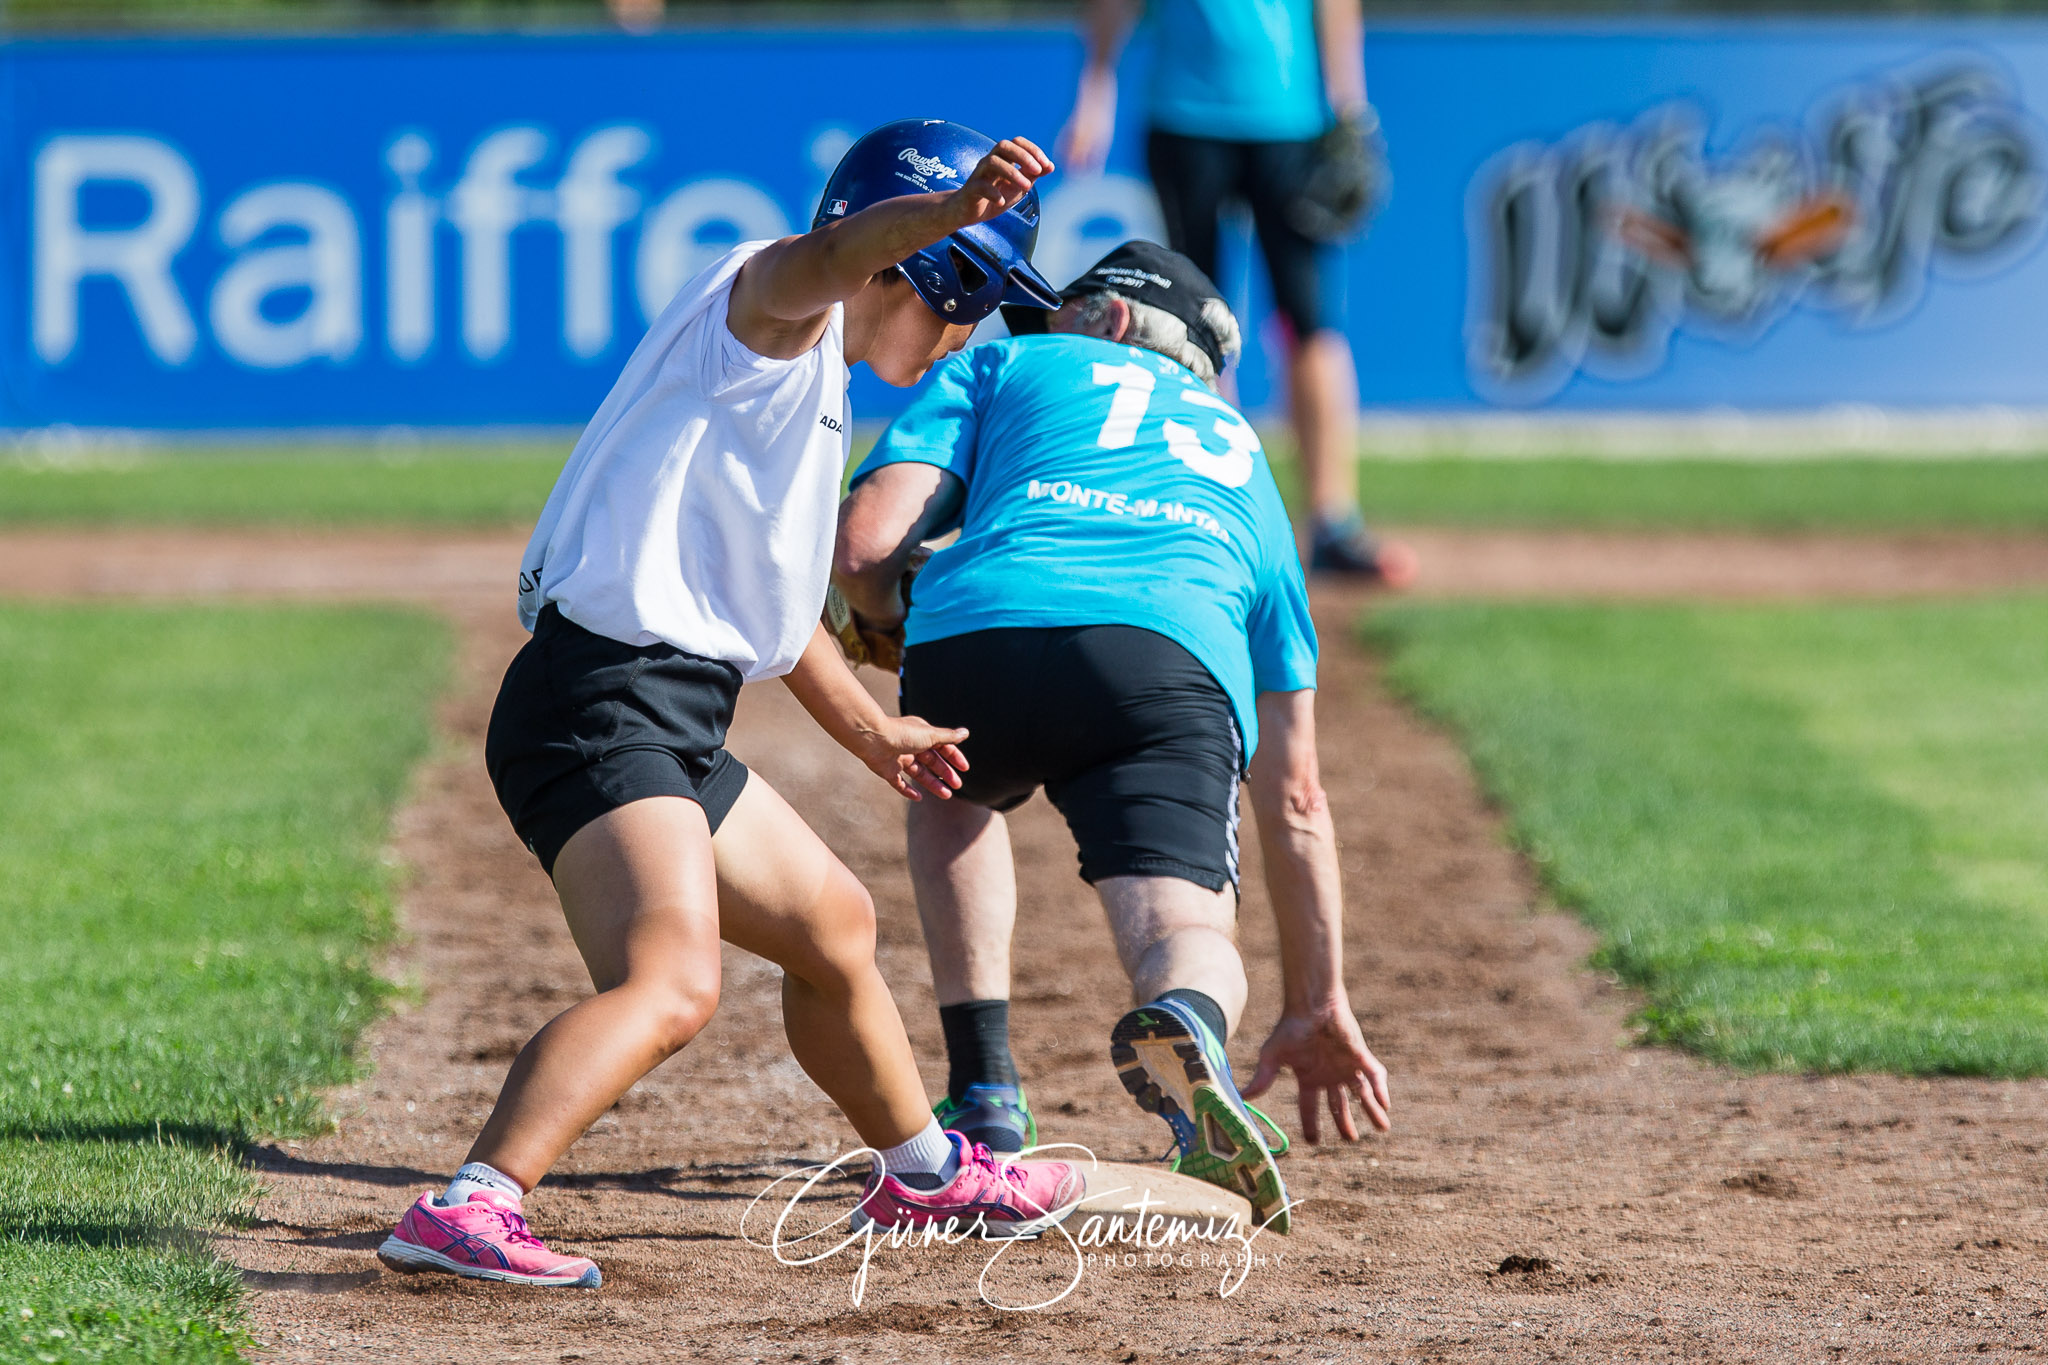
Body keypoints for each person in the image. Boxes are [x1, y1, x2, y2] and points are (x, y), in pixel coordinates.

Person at [375, 119, 1087, 1290]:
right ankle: (471, 1206)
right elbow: (826, 254)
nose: (967, 334)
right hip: (599, 700)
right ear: (924, 270)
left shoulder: (810, 395)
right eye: (971, 296)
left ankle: (921, 1174)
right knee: (673, 982)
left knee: (834, 930)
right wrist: (947, 217)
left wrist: (873, 733)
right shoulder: (762, 317)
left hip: (664, 712)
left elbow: (775, 613)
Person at [832, 242, 1392, 1234]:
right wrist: (1317, 998)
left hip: (984, 625)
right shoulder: (1245, 458)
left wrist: (883, 613)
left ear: (1116, 319)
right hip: (1168, 660)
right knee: (1185, 930)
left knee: (952, 785)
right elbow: (1296, 794)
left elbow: (865, 546)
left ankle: (987, 1095)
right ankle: (1189, 1021)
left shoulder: (1007, 364)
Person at [1059, 0, 1415, 584]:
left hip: (1294, 124)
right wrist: (1095, 89)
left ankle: (1333, 521)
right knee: (1192, 330)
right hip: (1185, 116)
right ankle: (1213, 515)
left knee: (1313, 321)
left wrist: (1350, 105)